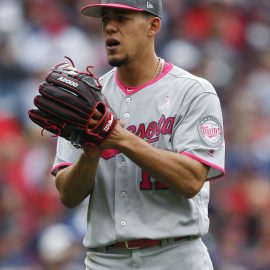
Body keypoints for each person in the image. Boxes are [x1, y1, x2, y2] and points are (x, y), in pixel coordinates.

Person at [51, 0, 225, 269]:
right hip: (104, 259)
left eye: (122, 19)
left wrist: (121, 138)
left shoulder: (193, 92)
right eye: (106, 19)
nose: (110, 27)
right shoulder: (86, 99)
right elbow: (68, 195)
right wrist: (91, 151)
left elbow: (192, 180)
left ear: (153, 25)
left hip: (175, 255)